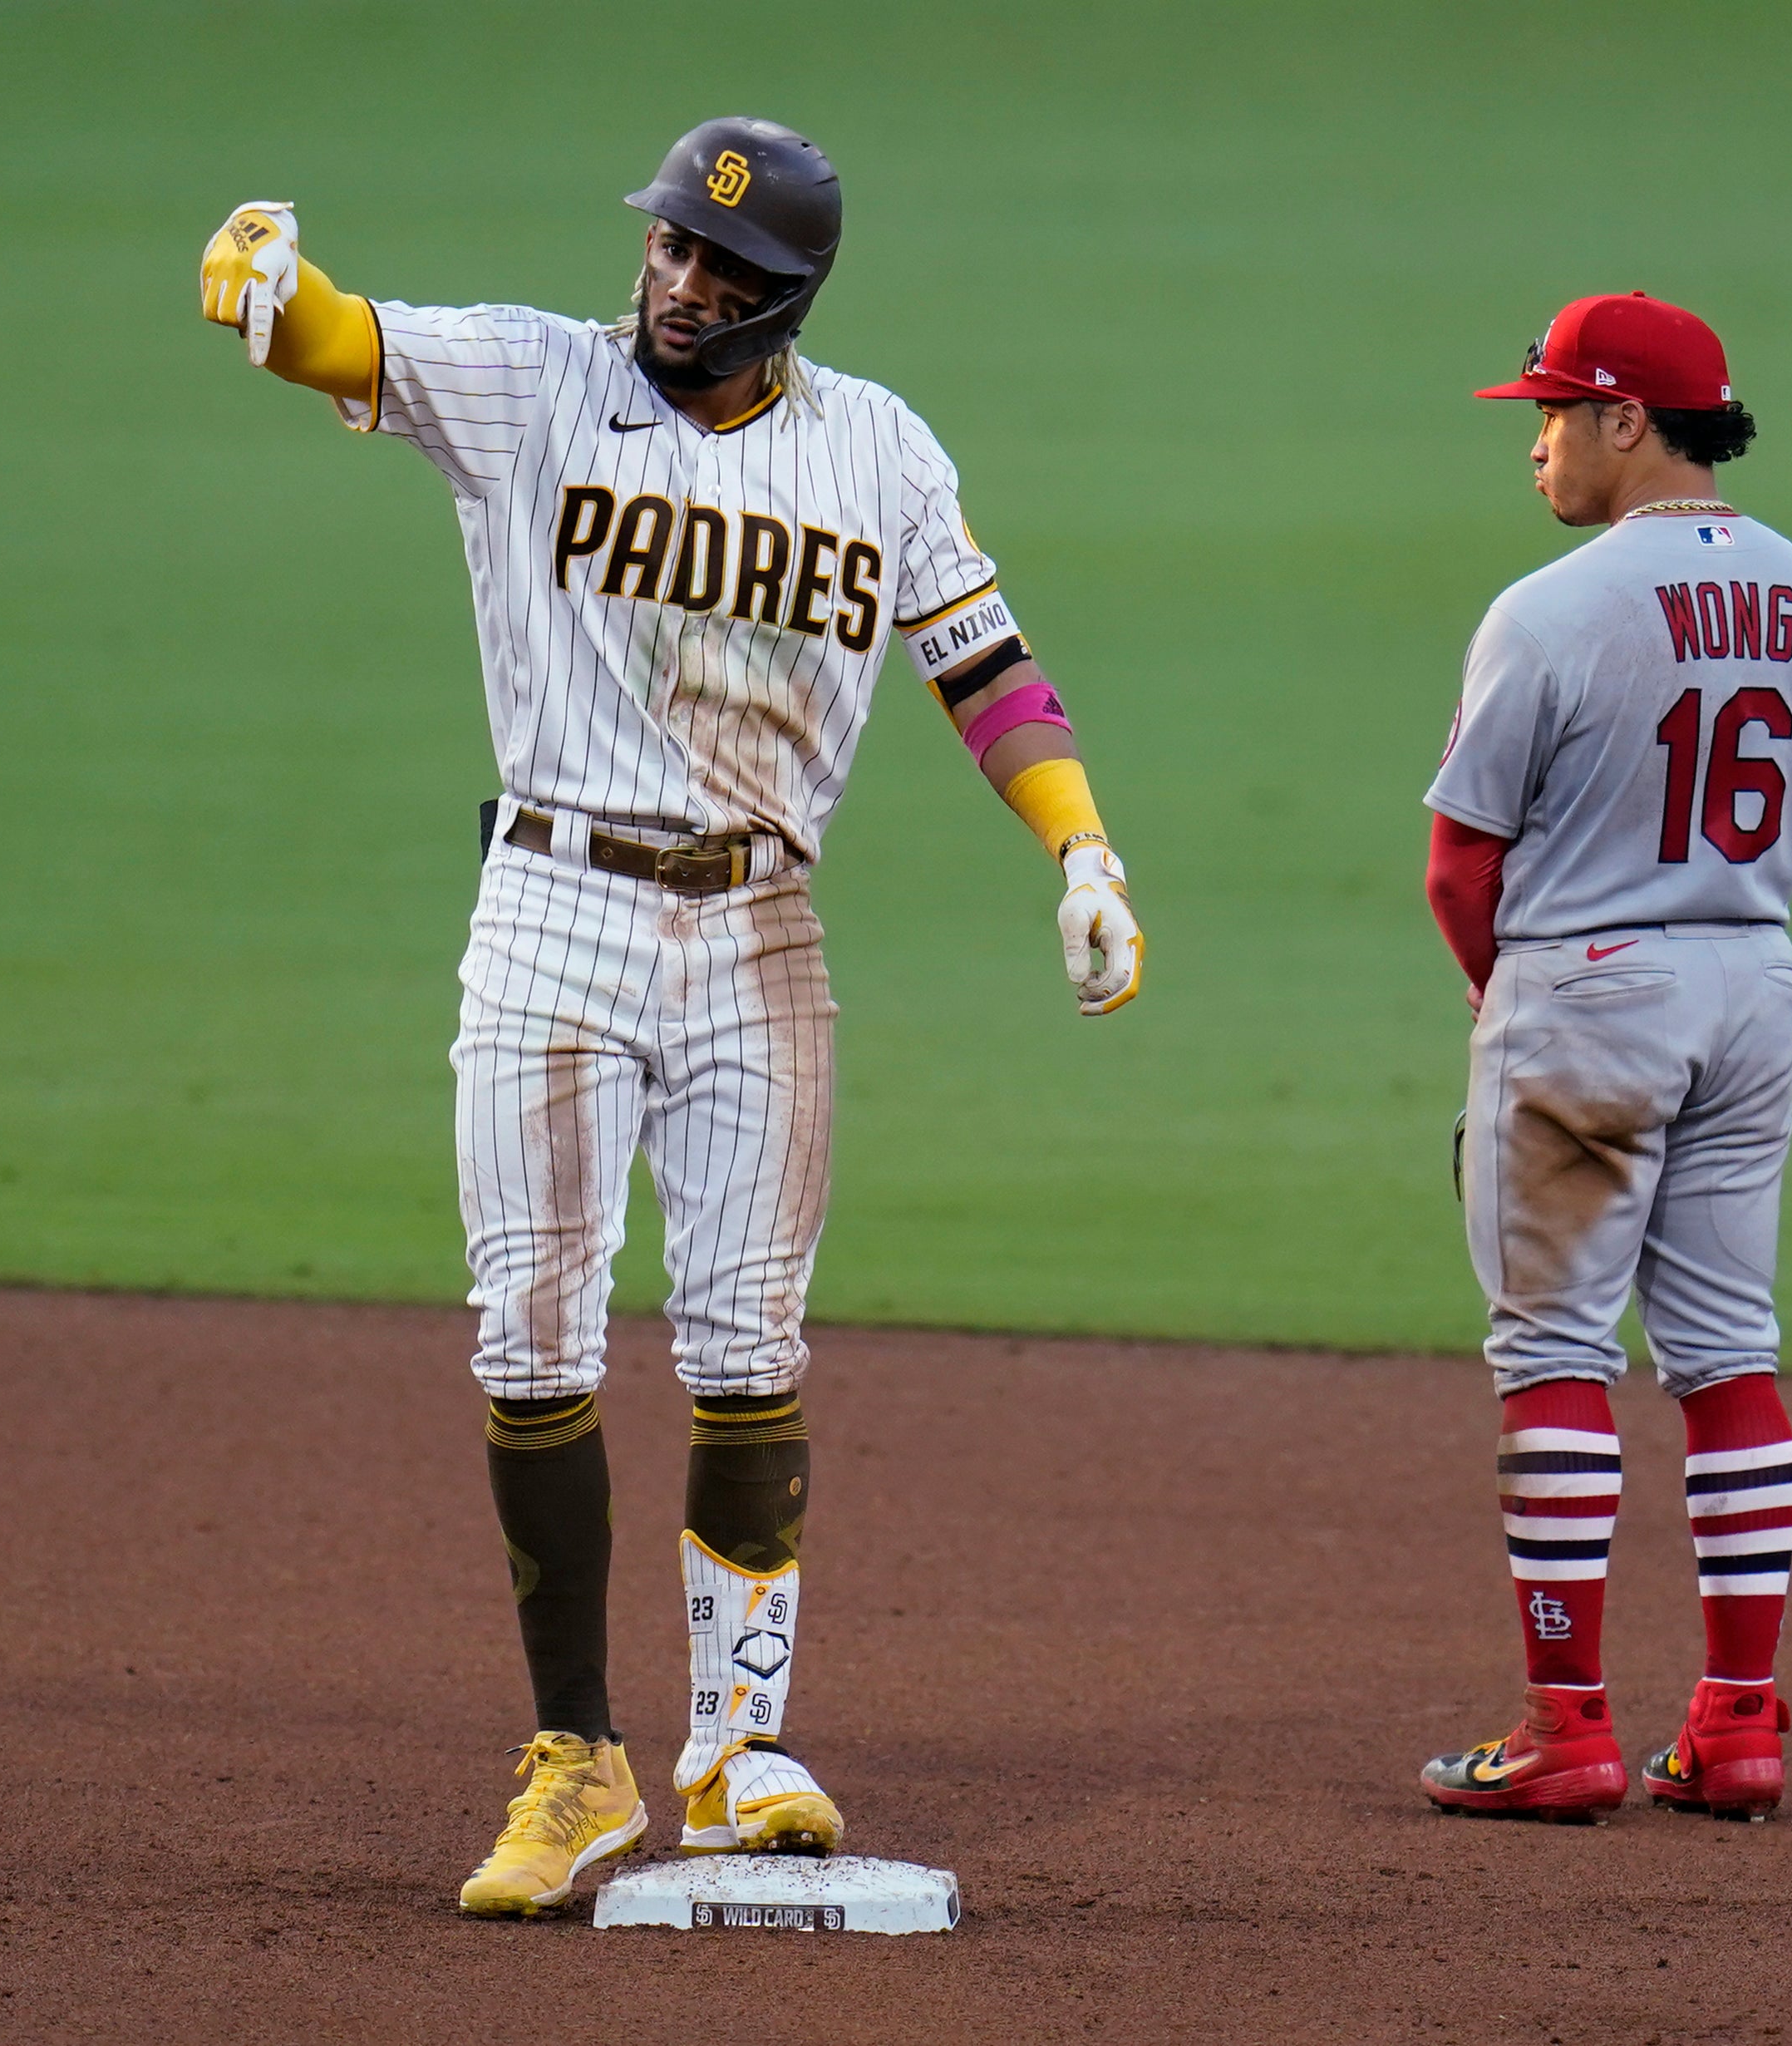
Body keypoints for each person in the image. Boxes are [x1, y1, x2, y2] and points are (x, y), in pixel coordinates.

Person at [194, 116, 1145, 1913]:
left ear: (789, 298)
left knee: (746, 1344)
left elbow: (986, 666)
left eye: (724, 272)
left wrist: (1081, 850)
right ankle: (575, 1759)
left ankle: (736, 1743)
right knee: (531, 1338)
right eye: (668, 249)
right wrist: (264, 287)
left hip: (758, 930)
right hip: (550, 904)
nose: (680, 283)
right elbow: (344, 340)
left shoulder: (878, 450)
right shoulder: (535, 379)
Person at [1415, 293, 1792, 1824]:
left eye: (1552, 409)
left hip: (1586, 991)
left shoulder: (1548, 608)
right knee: (1731, 1352)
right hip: (1754, 981)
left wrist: (1511, 1013)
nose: (1534, 439)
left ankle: (1568, 1728)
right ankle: (1739, 1723)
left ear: (1627, 422)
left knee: (1553, 1359)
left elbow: (1459, 867)